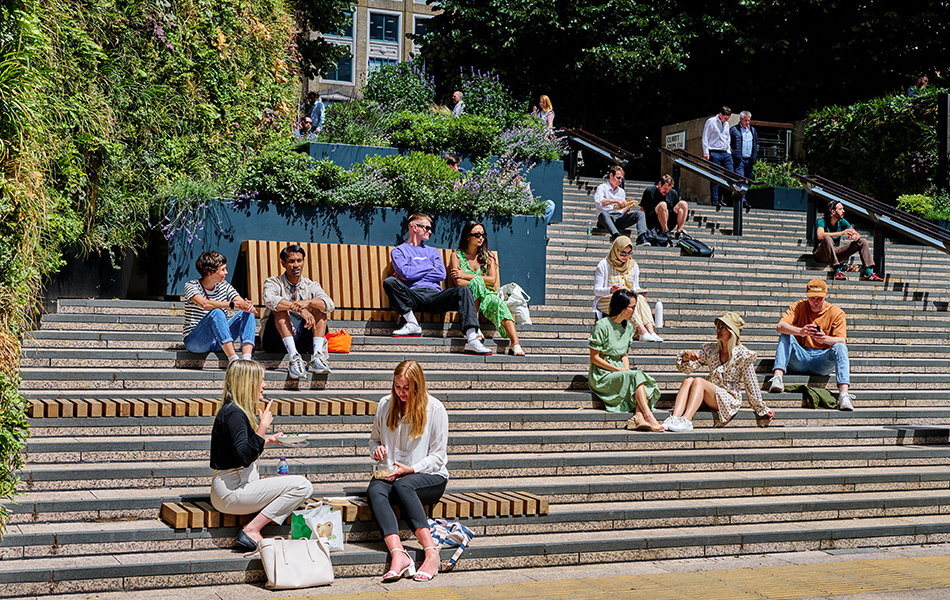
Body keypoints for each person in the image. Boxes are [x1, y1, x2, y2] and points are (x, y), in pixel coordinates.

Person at [210, 360, 314, 550]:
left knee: (291, 485)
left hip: (232, 487)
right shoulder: (234, 414)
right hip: (232, 491)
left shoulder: (233, 410)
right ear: (247, 382)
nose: (264, 385)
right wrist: (263, 426)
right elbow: (244, 457)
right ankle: (251, 529)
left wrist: (267, 440)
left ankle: (253, 527)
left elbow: (237, 451)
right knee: (302, 486)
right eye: (261, 380)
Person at [368, 360, 448, 582]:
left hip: (429, 476)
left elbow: (438, 457)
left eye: (406, 388)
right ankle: (398, 553)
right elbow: (374, 440)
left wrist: (411, 469)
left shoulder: (435, 408)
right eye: (397, 386)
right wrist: (377, 450)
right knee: (375, 489)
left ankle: (431, 553)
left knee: (404, 485)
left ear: (418, 386)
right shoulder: (385, 404)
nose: (401, 392)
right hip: (392, 472)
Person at [383, 213, 492, 355]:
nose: (430, 231)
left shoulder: (433, 251)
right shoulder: (399, 251)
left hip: (435, 296)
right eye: (426, 228)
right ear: (414, 227)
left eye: (430, 228)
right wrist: (428, 266)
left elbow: (441, 274)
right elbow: (405, 273)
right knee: (390, 282)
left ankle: (472, 339)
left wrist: (413, 272)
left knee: (464, 291)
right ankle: (412, 323)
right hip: (412, 296)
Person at [666, 312, 774, 432]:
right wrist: (687, 356)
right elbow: (687, 369)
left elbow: (751, 383)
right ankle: (674, 418)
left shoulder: (743, 354)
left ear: (732, 331)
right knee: (689, 380)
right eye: (718, 326)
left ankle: (687, 420)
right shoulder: (711, 349)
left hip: (728, 398)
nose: (719, 329)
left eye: (723, 327)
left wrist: (761, 408)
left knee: (698, 381)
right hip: (710, 394)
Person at [767, 279, 856, 411]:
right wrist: (800, 331)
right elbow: (780, 326)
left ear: (826, 294)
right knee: (786, 334)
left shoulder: (837, 312)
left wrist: (825, 339)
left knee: (840, 347)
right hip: (800, 357)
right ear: (806, 295)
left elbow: (842, 340)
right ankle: (777, 378)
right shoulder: (798, 306)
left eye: (819, 298)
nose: (815, 301)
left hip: (822, 360)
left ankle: (844, 395)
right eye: (812, 298)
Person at [588, 289, 663, 431]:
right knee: (637, 377)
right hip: (602, 374)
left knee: (641, 380)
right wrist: (619, 370)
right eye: (632, 307)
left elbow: (624, 355)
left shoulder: (629, 327)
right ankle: (648, 415)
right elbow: (594, 358)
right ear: (622, 308)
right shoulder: (602, 325)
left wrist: (626, 370)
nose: (635, 311)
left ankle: (638, 417)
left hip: (620, 370)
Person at [449, 220, 525, 356]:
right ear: (467, 236)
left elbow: (493, 280)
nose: (481, 238)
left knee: (498, 303)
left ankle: (515, 343)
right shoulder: (457, 255)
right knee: (477, 282)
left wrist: (465, 275)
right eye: (477, 235)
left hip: (488, 296)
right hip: (468, 297)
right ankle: (475, 327)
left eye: (483, 235)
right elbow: (459, 282)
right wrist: (481, 282)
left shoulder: (488, 256)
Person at [261, 244, 335, 378]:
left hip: (302, 338)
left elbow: (330, 304)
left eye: (299, 261)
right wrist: (300, 309)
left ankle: (317, 357)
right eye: (291, 261)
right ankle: (294, 358)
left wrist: (309, 302)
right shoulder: (273, 282)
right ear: (283, 263)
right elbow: (269, 299)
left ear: (304, 261)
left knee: (320, 306)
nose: (296, 265)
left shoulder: (311, 285)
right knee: (279, 307)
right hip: (275, 340)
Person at [183, 251, 257, 364]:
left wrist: (246, 305)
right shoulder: (191, 286)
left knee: (247, 311)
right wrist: (230, 304)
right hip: (196, 342)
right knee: (217, 312)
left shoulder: (225, 286)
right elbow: (204, 304)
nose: (226, 272)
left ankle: (247, 359)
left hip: (219, 341)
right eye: (222, 269)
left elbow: (238, 299)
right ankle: (233, 361)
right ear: (210, 272)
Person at [592, 236, 663, 343]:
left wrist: (640, 291)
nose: (626, 256)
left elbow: (635, 287)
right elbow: (596, 290)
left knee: (639, 298)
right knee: (628, 300)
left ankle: (651, 331)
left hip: (628, 298)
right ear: (616, 250)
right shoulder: (604, 265)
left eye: (629, 253)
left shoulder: (633, 265)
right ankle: (642, 331)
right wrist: (610, 290)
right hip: (606, 299)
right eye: (622, 253)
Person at [815, 200, 883, 281]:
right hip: (821, 254)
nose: (843, 211)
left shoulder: (842, 221)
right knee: (828, 239)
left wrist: (855, 236)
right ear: (833, 211)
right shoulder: (821, 221)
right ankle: (837, 271)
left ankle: (868, 273)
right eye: (840, 209)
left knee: (862, 241)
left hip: (835, 252)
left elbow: (857, 234)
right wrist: (841, 233)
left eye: (843, 209)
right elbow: (820, 235)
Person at [593, 165, 647, 242]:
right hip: (605, 218)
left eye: (621, 178)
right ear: (611, 175)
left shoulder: (621, 191)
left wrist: (627, 208)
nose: (620, 180)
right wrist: (616, 200)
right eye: (618, 177)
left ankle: (642, 237)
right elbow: (600, 202)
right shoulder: (602, 187)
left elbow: (621, 211)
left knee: (640, 214)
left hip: (618, 217)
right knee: (604, 213)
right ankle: (616, 235)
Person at [640, 174, 690, 239]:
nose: (666, 191)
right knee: (663, 204)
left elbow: (678, 211)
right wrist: (643, 228)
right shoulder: (649, 191)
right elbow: (642, 210)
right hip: (653, 222)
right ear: (660, 184)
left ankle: (679, 232)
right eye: (665, 188)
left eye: (669, 189)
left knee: (683, 204)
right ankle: (665, 231)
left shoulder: (673, 193)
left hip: (669, 221)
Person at [702, 106, 734, 208]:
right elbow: (705, 137)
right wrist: (706, 151)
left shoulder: (727, 124)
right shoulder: (711, 122)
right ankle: (715, 200)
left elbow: (727, 138)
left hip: (725, 152)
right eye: (725, 118)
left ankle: (720, 196)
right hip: (714, 151)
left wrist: (728, 151)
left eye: (727, 119)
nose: (725, 121)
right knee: (715, 176)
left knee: (730, 175)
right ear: (720, 115)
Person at [729, 111, 759, 182]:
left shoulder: (752, 130)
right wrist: (734, 154)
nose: (747, 122)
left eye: (749, 120)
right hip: (739, 160)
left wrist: (755, 154)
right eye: (745, 120)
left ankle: (743, 193)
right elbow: (728, 143)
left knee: (747, 181)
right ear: (741, 119)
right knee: (740, 180)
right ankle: (740, 193)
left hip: (749, 160)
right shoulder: (734, 130)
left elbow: (757, 143)